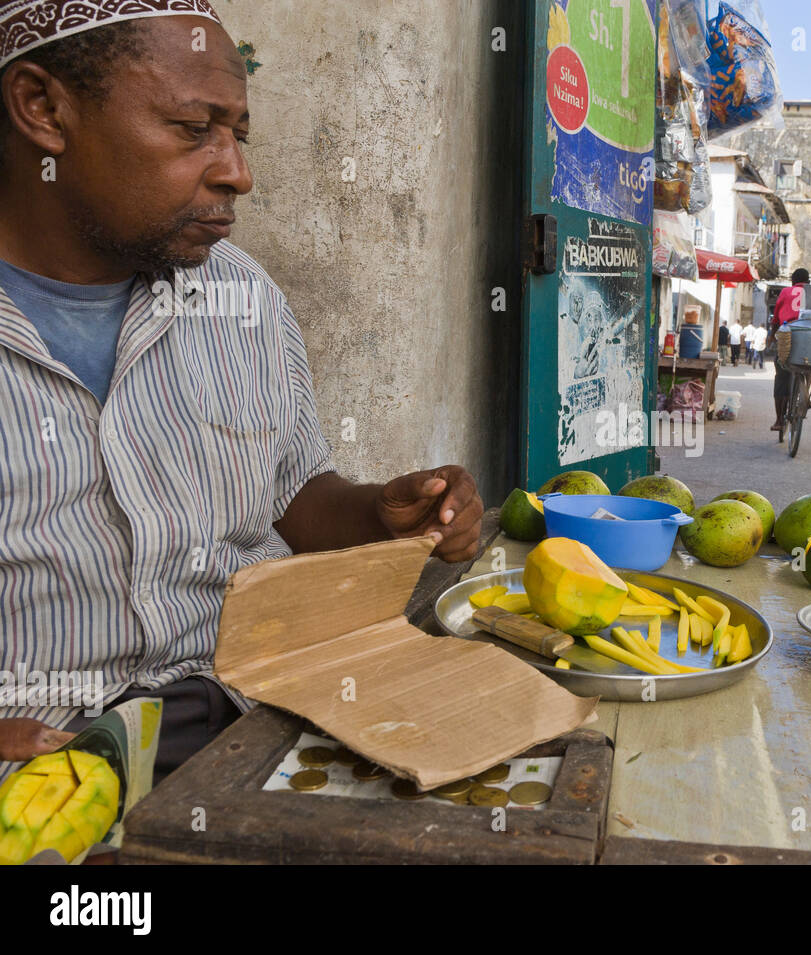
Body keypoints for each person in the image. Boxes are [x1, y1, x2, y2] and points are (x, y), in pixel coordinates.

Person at [0, 2, 485, 782]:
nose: (237, 172)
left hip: (255, 721)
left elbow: (294, 495)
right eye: (194, 130)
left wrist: (384, 515)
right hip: (41, 770)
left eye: (239, 135)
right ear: (42, 108)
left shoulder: (241, 296)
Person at [771, 268, 811, 430]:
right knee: (810, 365)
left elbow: (776, 317)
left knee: (781, 374)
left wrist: (772, 336)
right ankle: (806, 392)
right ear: (807, 282)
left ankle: (779, 420)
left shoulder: (787, 292)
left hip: (787, 335)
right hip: (808, 335)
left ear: (793, 281)